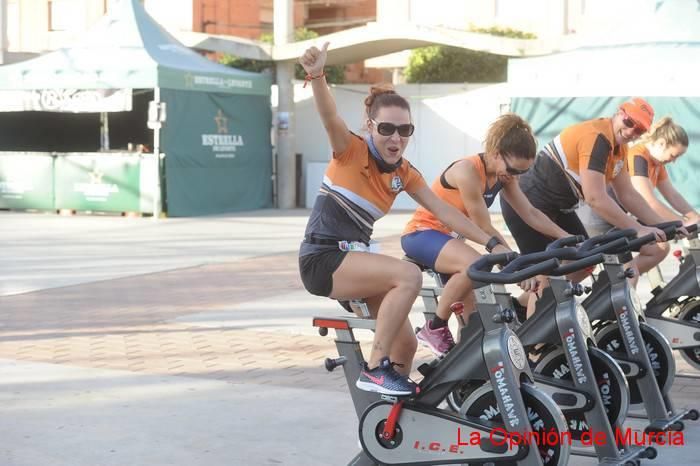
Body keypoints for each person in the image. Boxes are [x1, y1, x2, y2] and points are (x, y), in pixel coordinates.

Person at [298, 42, 511, 396]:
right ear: (370, 126)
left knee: (407, 347)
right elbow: (329, 116)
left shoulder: (405, 173)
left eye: (405, 130)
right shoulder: (350, 150)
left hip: (355, 260)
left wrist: (491, 243)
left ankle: (391, 422)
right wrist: (317, 74)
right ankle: (375, 368)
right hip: (323, 259)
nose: (396, 138)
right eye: (386, 129)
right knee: (408, 274)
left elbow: (444, 212)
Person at [401, 114, 570, 356]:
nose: (515, 176)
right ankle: (434, 327)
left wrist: (565, 236)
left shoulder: (504, 176)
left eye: (523, 171)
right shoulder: (467, 170)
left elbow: (531, 213)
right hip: (422, 234)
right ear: (495, 153)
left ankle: (467, 372)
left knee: (474, 326)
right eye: (512, 169)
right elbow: (484, 227)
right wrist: (516, 264)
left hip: (449, 241)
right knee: (475, 265)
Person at [501, 98, 668, 283]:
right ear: (619, 113)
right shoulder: (597, 137)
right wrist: (637, 229)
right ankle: (538, 308)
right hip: (528, 202)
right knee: (546, 277)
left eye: (639, 130)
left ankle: (524, 306)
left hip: (557, 207)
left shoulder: (619, 147)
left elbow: (628, 194)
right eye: (629, 123)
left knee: (585, 263)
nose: (631, 132)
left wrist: (666, 226)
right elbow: (594, 198)